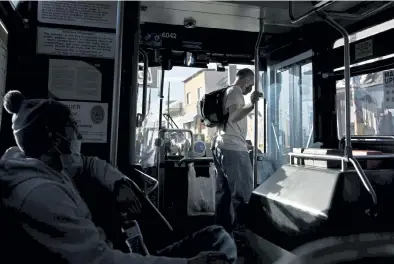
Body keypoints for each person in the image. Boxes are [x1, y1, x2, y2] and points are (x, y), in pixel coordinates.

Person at [0, 90, 237, 264]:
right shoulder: (41, 195)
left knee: (214, 235)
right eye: (72, 128)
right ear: (54, 138)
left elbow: (91, 163)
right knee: (217, 247)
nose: (78, 134)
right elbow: (101, 260)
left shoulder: (44, 165)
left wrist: (118, 183)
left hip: (111, 253)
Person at [212, 69, 261, 246]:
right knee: (242, 194)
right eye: (252, 82)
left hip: (221, 145)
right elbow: (234, 117)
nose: (252, 86)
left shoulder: (227, 92)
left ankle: (221, 236)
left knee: (224, 194)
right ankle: (241, 239)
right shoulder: (235, 92)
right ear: (247, 79)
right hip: (233, 148)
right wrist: (251, 104)